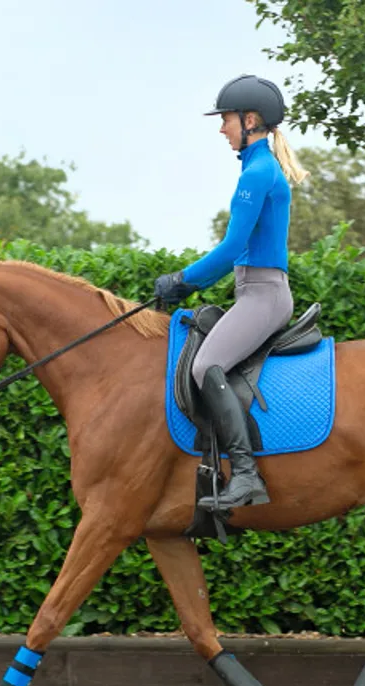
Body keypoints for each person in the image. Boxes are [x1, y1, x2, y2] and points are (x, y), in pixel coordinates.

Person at [154, 74, 309, 511]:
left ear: (251, 119)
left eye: (226, 120)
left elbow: (233, 248)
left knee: (206, 365)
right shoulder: (256, 168)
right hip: (253, 293)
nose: (221, 129)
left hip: (264, 296)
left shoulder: (258, 172)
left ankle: (245, 475)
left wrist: (183, 280)